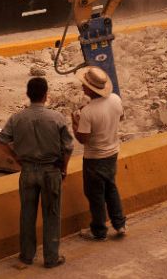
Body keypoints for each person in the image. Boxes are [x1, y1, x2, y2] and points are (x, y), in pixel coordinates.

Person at [0, 77, 73, 269]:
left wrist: (16, 157)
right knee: (51, 214)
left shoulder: (17, 118)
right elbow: (68, 147)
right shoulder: (57, 118)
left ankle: (26, 256)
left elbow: (0, 140)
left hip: (28, 170)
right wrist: (63, 168)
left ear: (28, 95)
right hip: (50, 171)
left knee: (27, 214)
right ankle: (51, 257)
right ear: (46, 95)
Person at [72, 66, 127, 241]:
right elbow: (121, 117)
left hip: (94, 158)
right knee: (111, 188)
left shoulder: (87, 112)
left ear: (90, 88)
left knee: (95, 194)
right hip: (112, 153)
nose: (82, 86)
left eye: (84, 84)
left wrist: (75, 123)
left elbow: (83, 139)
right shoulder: (115, 99)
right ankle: (119, 224)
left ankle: (99, 230)